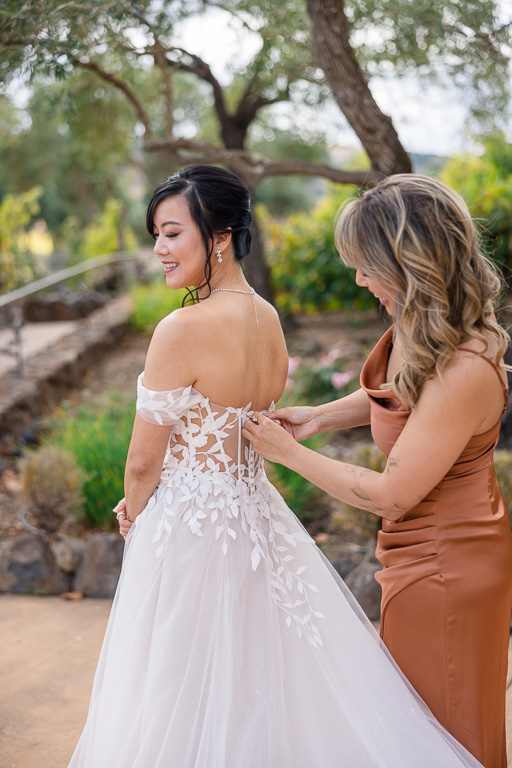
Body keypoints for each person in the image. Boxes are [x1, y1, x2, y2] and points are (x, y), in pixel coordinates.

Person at [69, 166, 484, 768]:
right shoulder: (266, 316)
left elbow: (141, 462)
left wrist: (137, 518)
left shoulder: (180, 328)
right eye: (155, 235)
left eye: (170, 234)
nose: (158, 249)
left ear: (218, 236)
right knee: (261, 673)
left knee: (175, 684)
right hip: (258, 516)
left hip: (189, 526)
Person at [244, 173, 512, 768]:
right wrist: (318, 416)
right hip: (423, 557)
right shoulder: (432, 335)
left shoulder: (465, 368)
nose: (360, 280)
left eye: (368, 266)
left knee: (440, 733)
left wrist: (288, 453)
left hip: (448, 570)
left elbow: (392, 495)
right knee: (416, 726)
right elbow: (400, 394)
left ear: (413, 262)